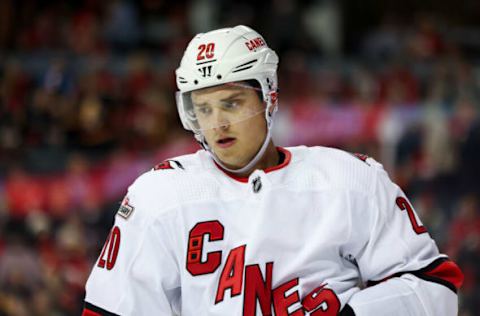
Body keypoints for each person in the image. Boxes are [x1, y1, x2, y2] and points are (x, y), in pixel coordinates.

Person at [82, 25, 463, 316]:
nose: (217, 124)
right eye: (204, 108)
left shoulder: (350, 180)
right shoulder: (158, 196)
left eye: (231, 104)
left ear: (269, 98)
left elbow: (434, 285)